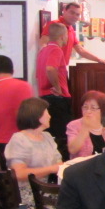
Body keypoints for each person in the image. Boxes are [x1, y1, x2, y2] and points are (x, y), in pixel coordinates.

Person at [4, 98, 62, 209]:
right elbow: (19, 174)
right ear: (37, 115)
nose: (50, 116)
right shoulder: (19, 139)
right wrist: (51, 169)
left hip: (47, 189)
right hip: (29, 194)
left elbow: (59, 163)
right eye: (47, 112)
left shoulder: (47, 136)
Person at [37, 22, 72, 160]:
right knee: (62, 137)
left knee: (50, 136)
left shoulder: (42, 51)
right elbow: (50, 68)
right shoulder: (55, 50)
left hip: (44, 97)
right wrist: (58, 87)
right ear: (63, 36)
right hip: (57, 98)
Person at [40, 2, 105, 65]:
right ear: (64, 11)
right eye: (72, 13)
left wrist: (98, 59)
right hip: (51, 68)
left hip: (61, 68)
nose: (74, 16)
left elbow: (80, 50)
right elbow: (43, 44)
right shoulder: (54, 25)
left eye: (77, 14)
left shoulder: (71, 29)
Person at [66, 91, 105, 159]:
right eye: (85, 107)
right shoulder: (74, 125)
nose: (88, 111)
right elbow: (72, 150)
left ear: (102, 110)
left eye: (93, 108)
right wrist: (85, 128)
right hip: (83, 166)